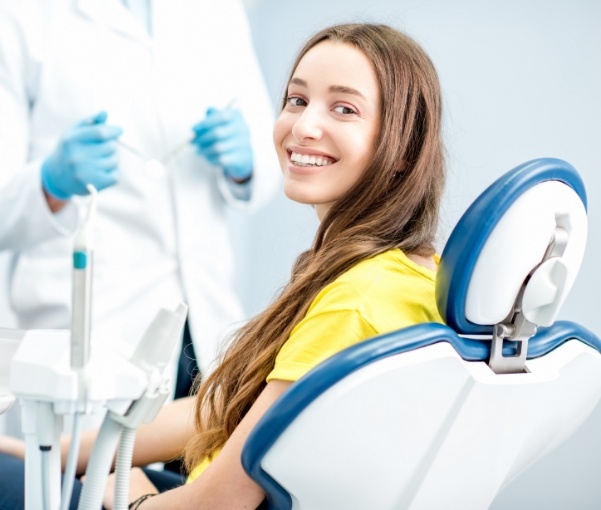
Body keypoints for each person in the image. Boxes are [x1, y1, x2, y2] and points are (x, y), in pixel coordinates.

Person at [0, 22, 445, 509]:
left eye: (344, 108)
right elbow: (225, 407)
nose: (302, 126)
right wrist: (40, 453)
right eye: (296, 101)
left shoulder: (357, 300)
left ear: (404, 145)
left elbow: (220, 502)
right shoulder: (403, 272)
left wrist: (135, 500)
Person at [0, 0, 280, 411]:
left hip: (205, 321)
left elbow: (270, 155)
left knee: (199, 462)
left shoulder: (219, 10)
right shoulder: (21, 14)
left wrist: (247, 161)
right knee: (93, 472)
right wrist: (49, 182)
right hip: (90, 327)